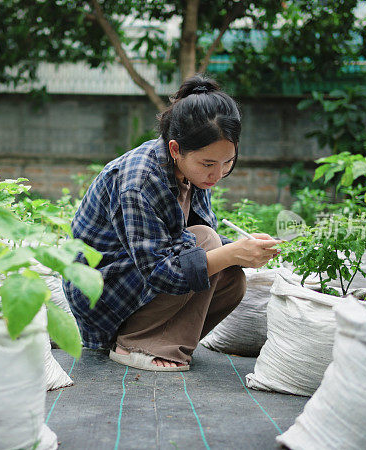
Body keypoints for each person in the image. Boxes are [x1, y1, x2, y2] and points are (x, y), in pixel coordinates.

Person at [63, 74, 280, 372]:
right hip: (101, 295)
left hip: (137, 285)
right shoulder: (139, 181)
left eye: (227, 162)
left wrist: (244, 250)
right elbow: (160, 270)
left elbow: (183, 243)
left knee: (232, 279)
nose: (217, 174)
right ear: (176, 149)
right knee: (209, 242)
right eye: (208, 163)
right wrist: (228, 252)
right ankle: (132, 346)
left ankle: (154, 341)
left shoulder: (192, 174)